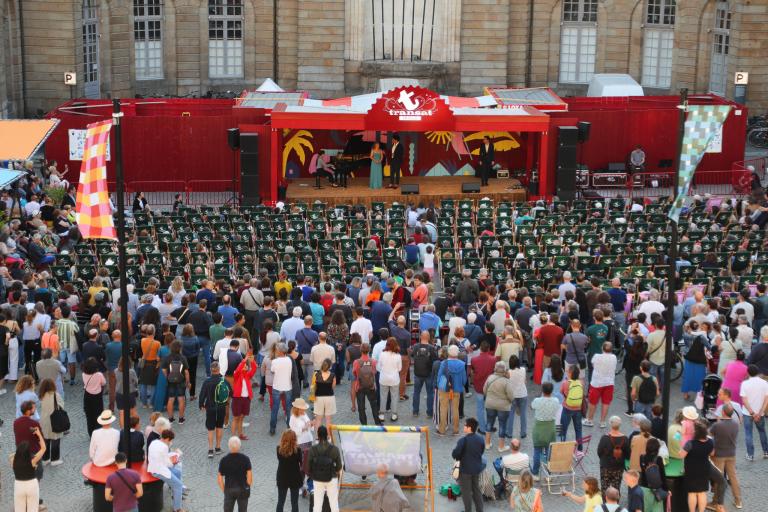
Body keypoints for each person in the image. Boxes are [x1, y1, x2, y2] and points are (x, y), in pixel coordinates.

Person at [709, 404, 742, 509]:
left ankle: (715, 502)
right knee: (733, 477)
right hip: (731, 454)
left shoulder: (718, 425)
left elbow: (709, 435)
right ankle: (738, 501)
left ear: (723, 412)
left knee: (719, 478)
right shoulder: (736, 424)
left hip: (719, 455)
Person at [679, 420, 715, 512]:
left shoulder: (690, 443)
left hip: (692, 470)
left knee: (692, 493)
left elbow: (681, 455)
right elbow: (712, 453)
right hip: (704, 469)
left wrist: (680, 448)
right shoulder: (710, 442)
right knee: (702, 492)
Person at [451, 417, 485, 512]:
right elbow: (481, 451)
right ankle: (480, 510)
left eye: (465, 425)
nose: (464, 426)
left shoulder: (463, 440)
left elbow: (455, 454)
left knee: (466, 493)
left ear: (469, 428)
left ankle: (468, 510)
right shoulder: (480, 439)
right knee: (476, 491)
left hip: (465, 471)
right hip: (476, 469)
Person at [148, 429, 185, 512]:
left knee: (177, 472)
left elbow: (161, 458)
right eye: (170, 441)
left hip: (153, 467)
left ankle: (175, 493)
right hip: (159, 471)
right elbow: (167, 464)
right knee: (178, 485)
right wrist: (174, 461)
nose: (170, 442)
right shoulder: (164, 446)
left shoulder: (154, 442)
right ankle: (177, 509)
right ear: (168, 439)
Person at [199, 361, 231, 457]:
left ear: (211, 370)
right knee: (219, 427)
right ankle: (218, 448)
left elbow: (202, 395)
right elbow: (231, 392)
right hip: (221, 407)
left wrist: (201, 405)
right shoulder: (224, 381)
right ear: (219, 369)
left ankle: (210, 450)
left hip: (210, 407)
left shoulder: (207, 381)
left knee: (210, 429)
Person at [308, 425, 342, 512]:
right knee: (334, 504)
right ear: (327, 435)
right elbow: (339, 467)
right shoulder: (334, 449)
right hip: (331, 478)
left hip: (317, 479)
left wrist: (314, 473)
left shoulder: (312, 449)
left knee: (317, 505)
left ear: (318, 436)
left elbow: (309, 467)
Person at [483, 361, 515, 451]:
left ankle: (487, 443)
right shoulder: (506, 381)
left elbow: (484, 390)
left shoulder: (490, 378)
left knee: (489, 422)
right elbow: (511, 396)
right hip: (503, 406)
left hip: (490, 404)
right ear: (505, 370)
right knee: (502, 425)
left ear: (495, 368)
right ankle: (501, 446)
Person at [530, 381, 559, 477]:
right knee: (549, 452)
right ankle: (548, 472)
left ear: (542, 390)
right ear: (552, 391)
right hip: (550, 428)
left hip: (539, 428)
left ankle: (535, 472)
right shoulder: (556, 401)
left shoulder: (537, 401)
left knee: (537, 450)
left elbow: (531, 406)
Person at [585, 341, 617, 428]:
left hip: (597, 383)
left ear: (602, 348)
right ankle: (602, 422)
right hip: (609, 383)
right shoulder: (614, 357)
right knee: (606, 402)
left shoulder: (596, 356)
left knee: (592, 402)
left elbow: (593, 365)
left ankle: (590, 420)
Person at [740, 364, 768, 460]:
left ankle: (750, 455)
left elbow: (744, 400)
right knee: (762, 431)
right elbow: (766, 399)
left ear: (748, 373)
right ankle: (766, 452)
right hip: (760, 414)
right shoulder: (764, 383)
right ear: (758, 372)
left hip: (748, 413)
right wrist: (760, 412)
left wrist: (752, 413)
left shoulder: (744, 384)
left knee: (748, 433)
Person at [218, 436, 252, 512]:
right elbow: (249, 477)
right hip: (242, 488)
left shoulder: (224, 460)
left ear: (229, 446)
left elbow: (219, 479)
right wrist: (247, 486)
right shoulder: (245, 459)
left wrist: (225, 490)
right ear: (239, 446)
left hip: (229, 488)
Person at [12, 434, 46, 512]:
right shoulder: (32, 461)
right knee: (33, 509)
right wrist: (39, 435)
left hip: (19, 486)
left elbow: (13, 455)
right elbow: (43, 448)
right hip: (32, 485)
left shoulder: (13, 460)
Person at [596, 415, 628, 495]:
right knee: (616, 486)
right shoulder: (625, 438)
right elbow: (628, 454)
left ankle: (605, 503)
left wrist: (603, 459)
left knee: (605, 487)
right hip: (619, 466)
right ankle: (615, 503)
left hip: (606, 466)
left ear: (610, 424)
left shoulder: (605, 438)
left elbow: (599, 452)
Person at [352, 342, 381, 425]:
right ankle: (377, 423)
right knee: (374, 405)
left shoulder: (356, 362)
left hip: (359, 386)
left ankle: (364, 425)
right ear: (369, 350)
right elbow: (375, 372)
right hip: (371, 386)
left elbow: (354, 373)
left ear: (360, 350)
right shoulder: (373, 361)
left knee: (361, 407)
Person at [411, 330, 438, 418]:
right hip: (428, 373)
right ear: (429, 337)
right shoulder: (431, 348)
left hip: (417, 373)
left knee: (416, 393)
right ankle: (429, 413)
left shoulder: (415, 346)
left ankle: (415, 411)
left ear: (421, 337)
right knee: (430, 393)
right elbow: (435, 360)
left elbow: (412, 356)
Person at [37, 378, 64, 466]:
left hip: (44, 420)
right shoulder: (56, 395)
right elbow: (62, 406)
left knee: (45, 439)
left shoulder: (42, 395)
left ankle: (45, 459)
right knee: (55, 439)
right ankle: (55, 459)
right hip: (54, 420)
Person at [231, 352, 257, 440]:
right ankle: (233, 437)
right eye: (245, 366)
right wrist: (244, 360)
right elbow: (238, 370)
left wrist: (252, 361)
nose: (246, 367)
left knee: (241, 417)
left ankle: (240, 434)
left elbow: (254, 369)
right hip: (238, 398)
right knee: (235, 417)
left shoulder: (247, 375)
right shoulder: (237, 375)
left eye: (246, 366)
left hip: (246, 399)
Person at [276, 429, 304, 512]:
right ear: (294, 439)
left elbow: (279, 459)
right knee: (294, 502)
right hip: (295, 477)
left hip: (282, 477)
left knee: (281, 501)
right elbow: (301, 462)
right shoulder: (298, 450)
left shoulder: (279, 449)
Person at [270, 343, 294, 435]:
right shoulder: (289, 360)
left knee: (275, 408)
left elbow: (272, 371)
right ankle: (289, 427)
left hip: (277, 386)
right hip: (287, 386)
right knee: (288, 408)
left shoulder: (275, 361)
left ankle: (272, 428)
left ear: (279, 351)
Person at [560, 365, 585, 451]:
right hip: (578, 408)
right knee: (578, 429)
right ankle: (580, 448)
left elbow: (561, 391)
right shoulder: (581, 382)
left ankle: (562, 447)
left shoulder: (565, 383)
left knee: (563, 429)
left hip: (567, 408)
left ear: (570, 373)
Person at [82, 358, 106, 436]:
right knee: (98, 414)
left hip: (87, 396)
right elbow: (104, 383)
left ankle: (91, 432)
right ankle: (98, 431)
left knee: (89, 415)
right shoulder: (99, 375)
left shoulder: (83, 374)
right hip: (97, 397)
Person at [313, 358, 337, 430]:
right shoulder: (333, 375)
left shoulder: (316, 374)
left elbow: (314, 387)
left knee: (318, 419)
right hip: (329, 397)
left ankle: (318, 438)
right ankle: (329, 437)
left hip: (318, 398)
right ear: (330, 366)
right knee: (328, 420)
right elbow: (333, 387)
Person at [115, 357, 139, 428]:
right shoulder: (131, 371)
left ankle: (123, 431)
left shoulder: (116, 370)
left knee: (122, 413)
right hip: (130, 393)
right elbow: (136, 382)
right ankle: (137, 429)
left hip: (119, 394)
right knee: (133, 412)